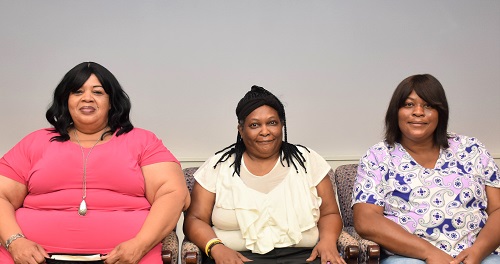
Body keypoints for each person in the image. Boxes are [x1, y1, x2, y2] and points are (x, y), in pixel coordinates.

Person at [0, 62, 190, 264]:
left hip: (128, 258)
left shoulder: (142, 141)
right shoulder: (35, 141)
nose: (87, 98)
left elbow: (173, 194)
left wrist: (140, 245)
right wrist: (15, 241)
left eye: (98, 92)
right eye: (77, 91)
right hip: (29, 259)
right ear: (66, 100)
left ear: (111, 101)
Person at [183, 85, 345, 264]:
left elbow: (330, 213)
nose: (265, 131)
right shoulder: (218, 165)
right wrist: (216, 247)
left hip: (306, 256)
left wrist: (328, 242)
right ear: (241, 129)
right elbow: (194, 219)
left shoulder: (307, 161)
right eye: (254, 125)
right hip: (236, 258)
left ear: (282, 125)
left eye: (272, 123)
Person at [352, 74, 500, 264]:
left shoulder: (472, 148)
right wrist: (429, 253)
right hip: (409, 257)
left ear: (441, 112)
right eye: (408, 104)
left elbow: (497, 209)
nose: (418, 112)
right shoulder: (378, 156)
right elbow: (366, 221)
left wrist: (477, 252)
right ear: (395, 111)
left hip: (480, 255)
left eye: (428, 105)